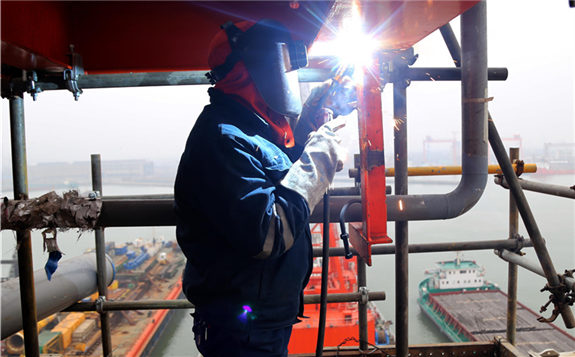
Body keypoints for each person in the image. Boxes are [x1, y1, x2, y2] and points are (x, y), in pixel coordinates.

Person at [174, 19, 356, 356]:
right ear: (258, 69)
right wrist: (321, 155)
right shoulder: (222, 138)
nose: (289, 77)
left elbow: (278, 175)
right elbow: (269, 231)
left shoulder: (251, 131)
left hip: (262, 322)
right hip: (244, 331)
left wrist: (314, 115)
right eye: (285, 64)